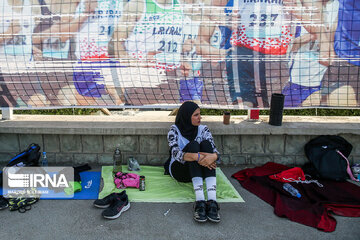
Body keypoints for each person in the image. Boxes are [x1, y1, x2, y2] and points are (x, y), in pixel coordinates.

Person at [166, 101, 220, 223]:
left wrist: (214, 157)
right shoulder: (174, 130)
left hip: (199, 170)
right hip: (180, 170)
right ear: (186, 116)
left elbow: (215, 151)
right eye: (196, 115)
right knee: (194, 145)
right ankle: (200, 202)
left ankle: (212, 202)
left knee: (206, 144)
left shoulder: (203, 129)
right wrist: (199, 157)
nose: (199, 117)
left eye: (200, 114)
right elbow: (176, 154)